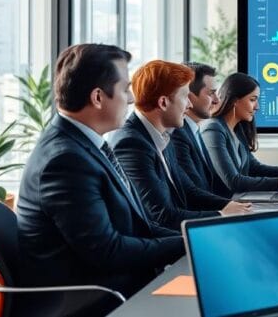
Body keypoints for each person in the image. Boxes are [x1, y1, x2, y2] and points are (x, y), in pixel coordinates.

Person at [16, 44, 184, 299]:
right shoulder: (65, 161)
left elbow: (141, 226)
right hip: (100, 295)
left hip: (123, 280)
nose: (131, 99)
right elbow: (108, 252)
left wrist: (196, 240)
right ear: (97, 97)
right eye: (125, 89)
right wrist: (191, 244)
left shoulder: (86, 144)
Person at [110, 60, 250, 230]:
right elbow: (162, 216)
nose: (189, 104)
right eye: (185, 97)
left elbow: (189, 190)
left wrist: (234, 206)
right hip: (163, 243)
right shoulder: (132, 144)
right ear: (163, 102)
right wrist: (222, 215)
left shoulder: (163, 134)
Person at [200, 73, 278, 193]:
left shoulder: (237, 129)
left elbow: (253, 167)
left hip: (240, 200)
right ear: (235, 101)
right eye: (252, 100)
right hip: (226, 205)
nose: (257, 107)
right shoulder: (213, 130)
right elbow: (233, 181)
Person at [169, 62, 232, 198]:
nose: (217, 100)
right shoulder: (177, 135)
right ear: (189, 96)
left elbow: (212, 184)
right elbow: (194, 192)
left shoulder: (194, 130)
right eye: (211, 94)